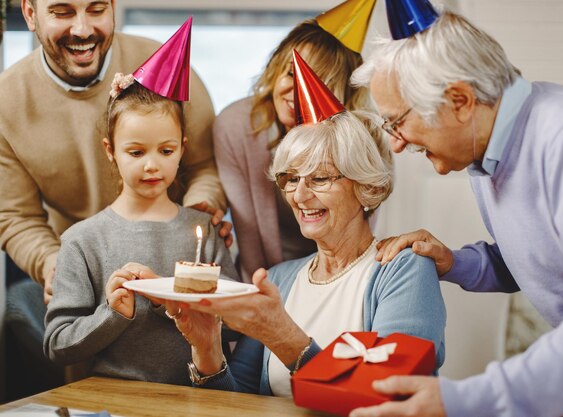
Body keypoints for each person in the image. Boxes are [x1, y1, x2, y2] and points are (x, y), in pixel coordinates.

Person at [349, 2, 563, 416]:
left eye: (396, 122)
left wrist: (461, 400)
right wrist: (455, 262)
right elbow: (544, 261)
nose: (396, 143)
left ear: (459, 100)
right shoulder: (486, 157)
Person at [161, 60, 446, 395]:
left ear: (366, 187)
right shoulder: (280, 279)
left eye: (320, 178)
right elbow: (239, 402)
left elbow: (389, 394)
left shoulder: (404, 270)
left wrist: (282, 336)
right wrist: (208, 349)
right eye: (290, 179)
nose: (299, 195)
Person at [0, 0, 229, 303]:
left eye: (96, 10)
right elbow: (17, 217)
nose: (82, 29)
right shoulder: (7, 101)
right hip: (83, 268)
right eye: (62, 12)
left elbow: (204, 166)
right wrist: (52, 263)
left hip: (172, 257)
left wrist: (200, 211)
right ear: (30, 14)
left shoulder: (163, 63)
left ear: (112, 7)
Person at [44, 32, 238, 383]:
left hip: (196, 397)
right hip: (114, 400)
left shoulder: (204, 229)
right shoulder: (82, 241)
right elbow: (58, 345)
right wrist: (112, 313)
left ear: (183, 148)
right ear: (110, 150)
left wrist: (176, 299)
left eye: (166, 151)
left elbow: (239, 325)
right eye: (136, 152)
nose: (152, 165)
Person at [213, 0, 375, 282]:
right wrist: (264, 295)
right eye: (291, 73)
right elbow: (248, 230)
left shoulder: (361, 140)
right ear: (275, 69)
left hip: (337, 276)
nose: (296, 90)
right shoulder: (235, 127)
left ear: (342, 95)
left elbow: (353, 237)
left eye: (316, 81)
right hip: (262, 278)